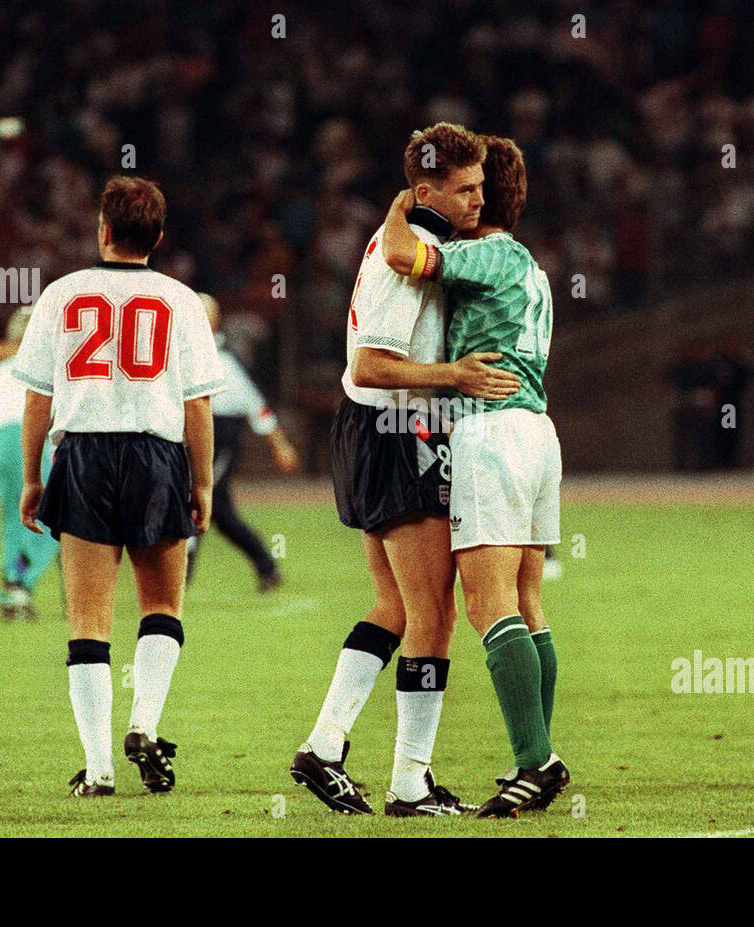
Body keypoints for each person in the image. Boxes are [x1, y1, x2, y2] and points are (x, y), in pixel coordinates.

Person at [291, 123, 518, 817]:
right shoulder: (408, 252)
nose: (480, 199)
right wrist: (452, 373)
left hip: (378, 429)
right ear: (427, 193)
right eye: (467, 189)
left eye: (482, 186)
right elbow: (370, 361)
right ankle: (408, 783)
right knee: (434, 613)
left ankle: (326, 746)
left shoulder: (409, 237)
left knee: (395, 606)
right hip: (396, 430)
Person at [12, 176, 222, 797]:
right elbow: (198, 405)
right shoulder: (182, 299)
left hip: (82, 452)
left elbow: (37, 397)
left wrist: (31, 478)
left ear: (102, 230)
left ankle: (99, 768)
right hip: (157, 455)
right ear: (157, 236)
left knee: (87, 620)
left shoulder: (61, 294)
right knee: (162, 604)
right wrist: (202, 482)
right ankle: (145, 725)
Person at [382, 134, 569, 816]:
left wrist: (407, 197)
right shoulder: (532, 267)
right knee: (526, 602)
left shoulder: (484, 252)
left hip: (491, 430)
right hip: (538, 431)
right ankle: (534, 754)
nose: (470, 196)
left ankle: (537, 761)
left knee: (487, 605)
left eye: (473, 188)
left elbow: (401, 254)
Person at [185, 293, 299, 592]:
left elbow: (255, 405)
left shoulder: (226, 359)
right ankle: (267, 566)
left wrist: (280, 444)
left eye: (205, 312)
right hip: (191, 435)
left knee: (194, 501)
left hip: (220, 438)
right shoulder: (183, 355)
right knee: (220, 513)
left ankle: (177, 583)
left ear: (215, 319)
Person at [0, 307, 59, 619]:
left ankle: (12, 583)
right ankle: (20, 582)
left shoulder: (2, 368)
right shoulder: (43, 368)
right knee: (48, 521)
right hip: (27, 440)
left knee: (13, 518)